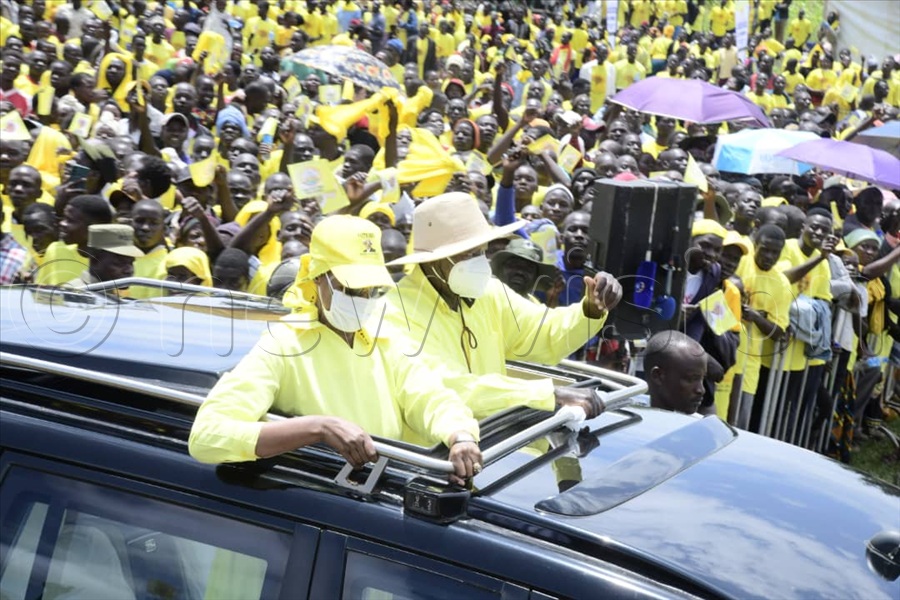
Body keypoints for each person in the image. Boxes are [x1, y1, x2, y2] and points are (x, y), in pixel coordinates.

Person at [190, 216, 482, 483]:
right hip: (324, 508)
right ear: (319, 277)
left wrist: (460, 435)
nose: (362, 299)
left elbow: (431, 397)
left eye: (369, 290)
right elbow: (207, 436)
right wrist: (317, 428)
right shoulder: (283, 345)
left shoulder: (383, 337)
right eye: (351, 289)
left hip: (386, 490)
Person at [383, 192, 621, 442]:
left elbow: (544, 332)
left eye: (482, 251)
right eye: (469, 254)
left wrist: (590, 309)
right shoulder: (396, 312)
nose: (480, 262)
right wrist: (548, 394)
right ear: (434, 259)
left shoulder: (488, 292)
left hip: (497, 446)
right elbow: (448, 387)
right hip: (435, 460)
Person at [642, 330, 707, 415]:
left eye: (702, 379)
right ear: (657, 376)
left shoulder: (697, 424)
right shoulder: (631, 424)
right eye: (690, 379)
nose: (701, 390)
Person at [65, 224, 144, 291]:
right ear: (94, 258)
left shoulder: (112, 296)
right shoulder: (73, 294)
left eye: (131, 262)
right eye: (119, 263)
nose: (129, 270)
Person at [490, 237, 558, 300]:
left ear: (536, 276)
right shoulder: (484, 295)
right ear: (501, 268)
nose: (520, 272)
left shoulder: (534, 306)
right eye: (514, 264)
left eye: (528, 268)